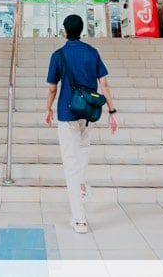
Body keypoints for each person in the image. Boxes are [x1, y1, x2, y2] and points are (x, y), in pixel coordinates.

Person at [44, 14, 118, 234]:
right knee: (84, 149)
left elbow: (52, 88)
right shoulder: (92, 52)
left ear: (65, 31)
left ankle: (79, 219)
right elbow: (104, 83)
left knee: (70, 163)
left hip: (67, 112)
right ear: (82, 30)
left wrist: (48, 108)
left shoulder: (58, 55)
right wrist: (112, 111)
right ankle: (82, 184)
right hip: (87, 112)